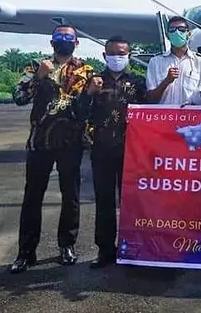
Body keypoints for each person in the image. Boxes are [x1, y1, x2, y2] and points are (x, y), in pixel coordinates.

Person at [9, 26, 94, 274]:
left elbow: (86, 109)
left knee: (71, 196)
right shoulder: (35, 66)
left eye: (69, 38)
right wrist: (38, 78)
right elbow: (18, 97)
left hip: (71, 143)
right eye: (60, 37)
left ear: (76, 43)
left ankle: (67, 245)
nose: (64, 41)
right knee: (32, 197)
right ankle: (26, 252)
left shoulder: (85, 71)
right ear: (51, 42)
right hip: (41, 142)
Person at [74, 36, 147, 269]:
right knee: (104, 202)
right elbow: (78, 111)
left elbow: (152, 113)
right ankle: (105, 251)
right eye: (113, 53)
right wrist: (89, 93)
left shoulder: (139, 82)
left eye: (122, 53)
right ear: (105, 56)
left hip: (131, 152)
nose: (118, 57)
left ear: (129, 55)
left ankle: (130, 249)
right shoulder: (94, 80)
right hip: (102, 150)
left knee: (131, 203)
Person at [146, 16, 201, 105]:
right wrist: (167, 81)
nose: (177, 32)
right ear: (167, 35)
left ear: (189, 34)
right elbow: (151, 99)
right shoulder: (155, 62)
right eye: (172, 30)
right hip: (163, 116)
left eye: (181, 29)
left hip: (189, 117)